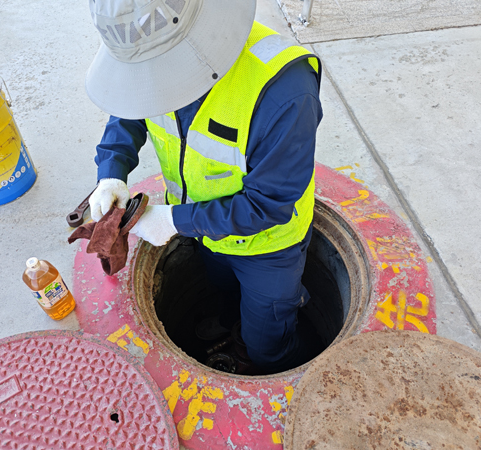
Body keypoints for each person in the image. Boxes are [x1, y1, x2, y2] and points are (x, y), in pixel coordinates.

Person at [86, 0, 322, 373]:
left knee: (268, 345)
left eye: (157, 69)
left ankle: (272, 353)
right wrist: (111, 170)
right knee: (223, 292)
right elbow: (131, 106)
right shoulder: (149, 69)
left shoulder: (285, 90)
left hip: (268, 247)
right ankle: (232, 324)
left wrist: (174, 221)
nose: (153, 83)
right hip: (205, 232)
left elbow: (268, 204)